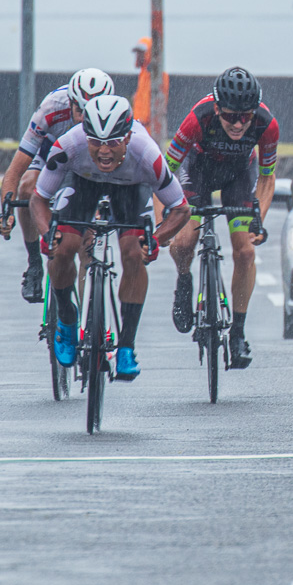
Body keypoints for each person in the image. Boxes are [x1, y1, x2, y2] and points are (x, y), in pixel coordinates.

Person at [31, 96, 191, 379]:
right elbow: (38, 199)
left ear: (128, 137)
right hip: (82, 182)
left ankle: (126, 346)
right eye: (96, 142)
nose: (104, 151)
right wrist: (46, 235)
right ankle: (67, 322)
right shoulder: (68, 145)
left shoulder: (147, 154)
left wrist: (156, 239)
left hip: (130, 188)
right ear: (85, 135)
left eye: (113, 142)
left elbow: (180, 209)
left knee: (133, 254)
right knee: (62, 247)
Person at [164, 66, 278, 367]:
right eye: (230, 116)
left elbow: (267, 179)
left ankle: (238, 332)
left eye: (245, 116)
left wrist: (258, 219)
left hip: (237, 175)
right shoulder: (198, 118)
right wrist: (167, 212)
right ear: (217, 108)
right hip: (197, 170)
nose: (239, 124)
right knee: (185, 240)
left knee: (245, 252)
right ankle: (185, 279)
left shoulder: (267, 125)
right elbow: (165, 171)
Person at [0, 68, 115, 302]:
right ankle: (34, 264)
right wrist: (6, 213)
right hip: (51, 152)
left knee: (87, 241)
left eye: (90, 113)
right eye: (79, 110)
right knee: (27, 187)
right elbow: (15, 172)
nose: (83, 119)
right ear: (70, 102)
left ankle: (85, 323)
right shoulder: (51, 108)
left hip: (89, 161)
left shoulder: (114, 116)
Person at [131, 37, 170, 131]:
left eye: (141, 52)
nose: (138, 56)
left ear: (149, 53)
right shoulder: (143, 74)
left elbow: (159, 104)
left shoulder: (158, 76)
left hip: (151, 128)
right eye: (138, 53)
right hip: (139, 127)